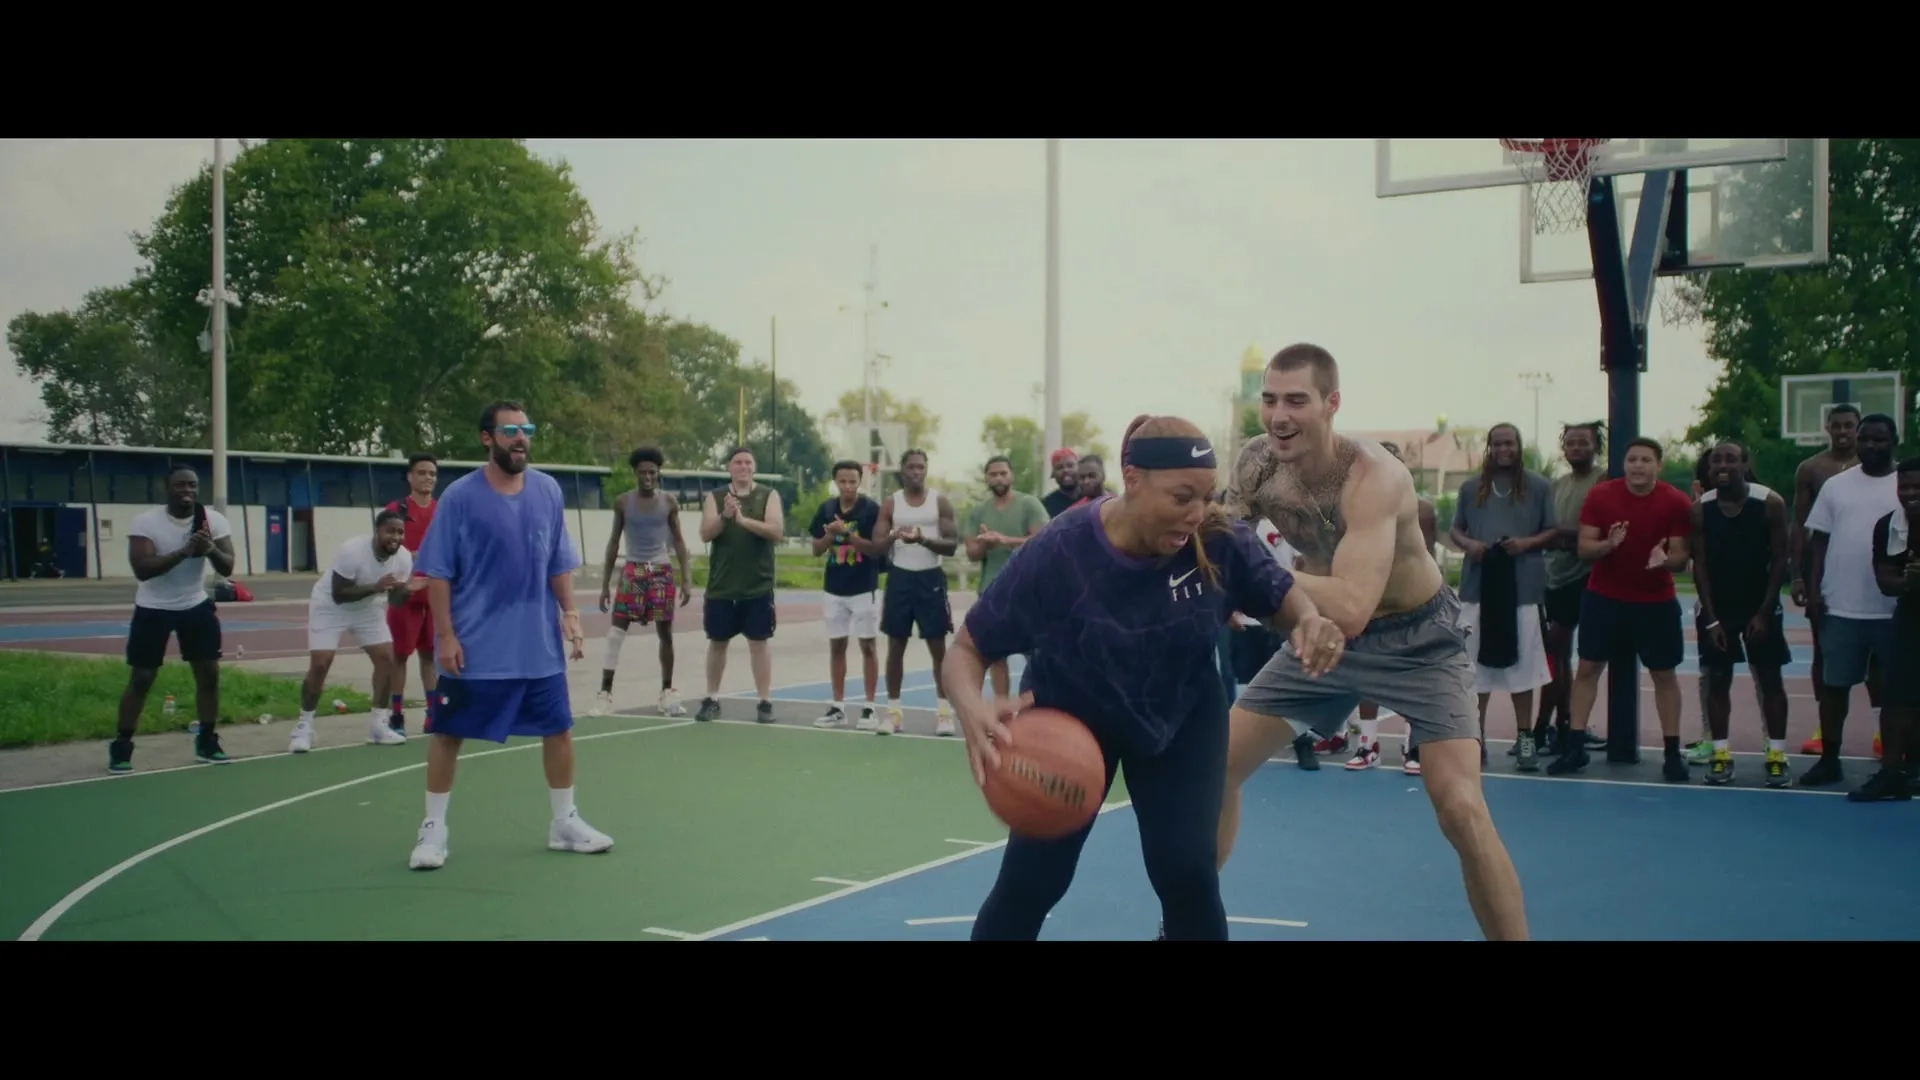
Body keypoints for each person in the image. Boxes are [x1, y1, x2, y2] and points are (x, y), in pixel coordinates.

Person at [944, 413, 1343, 941]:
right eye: (1182, 497)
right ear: (1132, 478)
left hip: (1182, 717)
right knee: (1032, 881)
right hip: (1073, 721)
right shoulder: (1062, 551)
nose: (1197, 512)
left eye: (1207, 495)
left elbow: (1278, 593)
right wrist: (971, 708)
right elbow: (967, 650)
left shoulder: (1217, 537)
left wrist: (1309, 619)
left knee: (1188, 875)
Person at [1220, 343, 1529, 941]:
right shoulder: (1256, 464)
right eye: (1270, 399)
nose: (1279, 415)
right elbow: (1222, 537)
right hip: (1320, 635)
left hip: (1419, 640)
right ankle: (1186, 925)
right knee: (1213, 774)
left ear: (1332, 404)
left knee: (1461, 809)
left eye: (1296, 401)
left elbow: (1355, 605)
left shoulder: (1375, 477)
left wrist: (1250, 578)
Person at [408, 401, 610, 871]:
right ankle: (433, 829)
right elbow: (437, 573)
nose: (521, 439)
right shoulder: (459, 497)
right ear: (488, 438)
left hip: (536, 643)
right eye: (510, 431)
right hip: (476, 645)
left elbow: (558, 560)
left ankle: (565, 822)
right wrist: (446, 637)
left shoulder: (547, 490)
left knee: (558, 729)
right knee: (447, 734)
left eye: (527, 430)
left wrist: (570, 615)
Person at [1547, 437, 1694, 782]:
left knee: (1664, 675)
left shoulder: (1675, 501)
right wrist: (1608, 545)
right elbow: (1584, 548)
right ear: (1624, 465)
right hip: (1605, 597)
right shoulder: (1601, 496)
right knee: (1587, 669)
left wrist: (1665, 561)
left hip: (1655, 601)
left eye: (1645, 460)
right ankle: (1576, 746)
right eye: (1632, 460)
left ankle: (1672, 753)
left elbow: (1680, 557)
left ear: (1658, 465)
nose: (1638, 466)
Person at [110, 466, 238, 773]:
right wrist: (184, 552)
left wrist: (209, 550)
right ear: (167, 488)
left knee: (208, 673)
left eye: (192, 486)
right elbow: (143, 567)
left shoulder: (212, 520)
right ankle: (122, 745)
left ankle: (207, 740)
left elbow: (229, 565)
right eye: (181, 485)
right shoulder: (146, 522)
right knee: (142, 677)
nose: (188, 491)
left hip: (194, 604)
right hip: (152, 607)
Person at [1800, 413, 1903, 789]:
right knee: (1834, 688)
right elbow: (1819, 541)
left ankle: (1896, 764)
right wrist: (1813, 590)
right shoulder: (1836, 486)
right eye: (1865, 439)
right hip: (1841, 604)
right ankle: (1830, 760)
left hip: (1895, 609)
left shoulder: (1906, 485)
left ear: (1894, 442)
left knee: (1896, 692)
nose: (1871, 446)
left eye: (1879, 440)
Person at [1447, 423, 1558, 771]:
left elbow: (1552, 530)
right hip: (1477, 591)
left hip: (1522, 593)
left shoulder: (1539, 487)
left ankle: (1525, 739)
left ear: (1518, 445)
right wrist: (1470, 546)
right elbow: (1455, 529)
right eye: (1497, 444)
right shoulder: (1470, 489)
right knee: (1474, 672)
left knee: (1521, 672)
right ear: (1489, 448)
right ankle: (1475, 740)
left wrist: (1526, 544)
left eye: (1509, 443)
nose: (1503, 449)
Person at [1689, 441, 1794, 787]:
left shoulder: (1770, 503)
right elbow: (1700, 564)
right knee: (1718, 679)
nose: (1722, 465)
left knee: (1769, 679)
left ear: (1744, 464)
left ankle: (1777, 755)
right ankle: (1721, 756)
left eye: (1730, 459)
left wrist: (1765, 611)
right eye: (1716, 460)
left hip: (1759, 604)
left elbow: (1780, 559)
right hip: (1720, 606)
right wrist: (1712, 617)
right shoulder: (1701, 508)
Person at [1790, 404, 1881, 758]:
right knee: (1824, 652)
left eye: (1850, 426)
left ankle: (1881, 730)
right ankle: (1822, 726)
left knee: (1880, 659)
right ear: (1827, 427)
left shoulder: (1880, 466)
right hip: (1825, 570)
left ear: (1858, 429)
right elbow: (1800, 524)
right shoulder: (1812, 469)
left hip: (1875, 572)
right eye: (1838, 425)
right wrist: (1797, 574)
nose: (1844, 432)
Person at [289, 510, 416, 753]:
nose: (396, 537)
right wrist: (377, 587)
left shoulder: (403, 558)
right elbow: (339, 594)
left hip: (368, 609)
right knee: (320, 664)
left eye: (400, 532)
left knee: (387, 660)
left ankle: (378, 726)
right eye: (390, 531)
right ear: (377, 531)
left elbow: (396, 601)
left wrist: (404, 591)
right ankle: (303, 727)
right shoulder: (352, 551)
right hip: (330, 606)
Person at [595, 447, 692, 719]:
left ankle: (666, 693)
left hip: (660, 570)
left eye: (652, 472)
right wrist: (605, 584)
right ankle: (604, 694)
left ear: (658, 473)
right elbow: (614, 542)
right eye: (642, 473)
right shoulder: (624, 502)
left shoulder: (669, 502)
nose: (647, 477)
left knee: (665, 634)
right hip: (633, 570)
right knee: (616, 632)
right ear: (635, 474)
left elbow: (680, 541)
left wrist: (686, 578)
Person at [693, 446, 783, 724]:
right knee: (717, 642)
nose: (743, 467)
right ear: (730, 468)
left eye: (747, 462)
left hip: (757, 585)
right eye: (738, 462)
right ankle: (712, 698)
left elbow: (776, 531)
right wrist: (725, 517)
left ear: (753, 468)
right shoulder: (717, 497)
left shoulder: (768, 495)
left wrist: (743, 520)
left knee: (759, 643)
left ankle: (764, 701)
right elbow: (705, 534)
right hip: (722, 585)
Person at [875, 449, 960, 734]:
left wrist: (922, 538)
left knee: (938, 648)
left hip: (930, 580)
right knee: (895, 646)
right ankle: (894, 712)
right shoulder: (891, 504)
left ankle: (944, 713)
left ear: (926, 470)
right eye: (910, 467)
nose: (916, 472)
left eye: (920, 467)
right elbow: (877, 542)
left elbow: (951, 545)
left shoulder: (940, 502)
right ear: (902, 470)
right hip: (900, 579)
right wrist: (893, 536)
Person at [1535, 422, 1607, 757]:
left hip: (1589, 575)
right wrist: (1560, 536)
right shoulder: (1557, 485)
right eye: (1571, 443)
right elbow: (1547, 530)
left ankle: (1565, 726)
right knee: (1556, 654)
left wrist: (1562, 534)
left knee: (1582, 658)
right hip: (1556, 575)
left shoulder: (1603, 480)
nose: (1576, 448)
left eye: (1584, 442)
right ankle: (1555, 724)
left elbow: (1593, 531)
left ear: (1596, 446)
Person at [1852, 455, 1920, 801]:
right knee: (1896, 697)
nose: (1910, 493)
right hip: (1910, 616)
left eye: (1917, 486)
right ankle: (1892, 772)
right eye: (1904, 485)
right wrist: (1907, 581)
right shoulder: (1887, 525)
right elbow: (1885, 581)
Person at [964, 456, 1050, 709]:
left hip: (1027, 589)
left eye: (1003, 473)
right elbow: (971, 553)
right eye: (993, 474)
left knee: (1034, 653)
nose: (998, 478)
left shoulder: (1029, 505)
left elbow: (1042, 542)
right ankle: (1003, 710)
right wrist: (983, 541)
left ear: (1011, 475)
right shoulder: (979, 510)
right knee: (995, 653)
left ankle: (1039, 707)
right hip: (992, 590)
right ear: (986, 478)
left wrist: (1005, 540)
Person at [810, 460, 886, 729]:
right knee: (837, 645)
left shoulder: (871, 510)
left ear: (860, 481)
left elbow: (876, 549)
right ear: (836, 482)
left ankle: (869, 706)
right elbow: (816, 549)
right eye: (842, 481)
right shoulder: (827, 509)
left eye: (853, 481)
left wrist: (848, 534)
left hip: (864, 588)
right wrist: (830, 536)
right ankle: (838, 706)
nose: (848, 486)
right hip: (834, 589)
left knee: (868, 645)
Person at [382, 452, 439, 735]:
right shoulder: (397, 509)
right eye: (422, 473)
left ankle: (432, 713)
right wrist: (415, 559)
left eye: (432, 474)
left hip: (433, 596)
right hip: (404, 595)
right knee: (400, 656)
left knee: (430, 657)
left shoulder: (442, 510)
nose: (427, 478)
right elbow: (385, 548)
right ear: (410, 476)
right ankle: (396, 715)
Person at [1041, 448, 1081, 517]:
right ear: (1053, 474)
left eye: (1070, 465)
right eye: (1059, 468)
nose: (1065, 470)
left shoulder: (1094, 497)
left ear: (1080, 468)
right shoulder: (1046, 505)